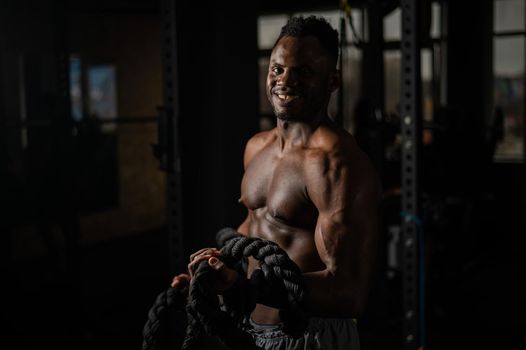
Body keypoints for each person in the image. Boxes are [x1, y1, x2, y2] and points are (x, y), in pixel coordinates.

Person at [172, 15, 380, 350]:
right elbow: (256, 227)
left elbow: (348, 292)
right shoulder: (257, 147)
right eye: (278, 69)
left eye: (303, 72)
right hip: (248, 329)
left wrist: (243, 288)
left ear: (332, 82)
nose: (285, 80)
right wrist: (212, 273)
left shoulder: (337, 164)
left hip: (309, 336)